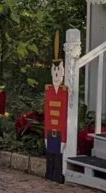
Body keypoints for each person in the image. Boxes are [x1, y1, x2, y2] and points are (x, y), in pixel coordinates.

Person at [44, 31, 68, 184]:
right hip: (50, 130)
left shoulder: (64, 93)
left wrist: (64, 138)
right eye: (55, 70)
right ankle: (49, 173)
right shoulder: (49, 91)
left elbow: (64, 114)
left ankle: (58, 174)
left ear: (63, 71)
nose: (57, 73)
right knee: (51, 153)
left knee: (58, 155)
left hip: (59, 131)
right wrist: (46, 135)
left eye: (59, 70)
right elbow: (47, 113)